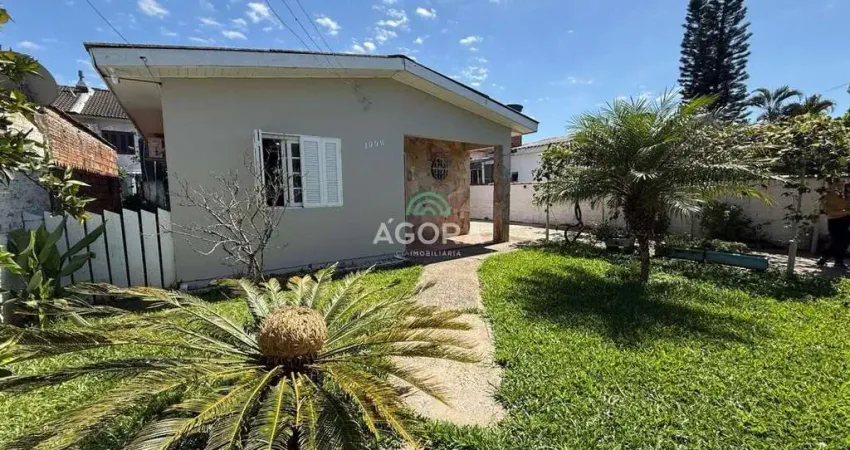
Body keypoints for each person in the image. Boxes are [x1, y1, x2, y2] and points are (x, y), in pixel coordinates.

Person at [816, 181, 850, 270]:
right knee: (837, 240)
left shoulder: (844, 195)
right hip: (834, 220)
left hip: (846, 219)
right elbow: (829, 211)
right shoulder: (827, 196)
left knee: (845, 241)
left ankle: (835, 260)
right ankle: (831, 259)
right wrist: (845, 212)